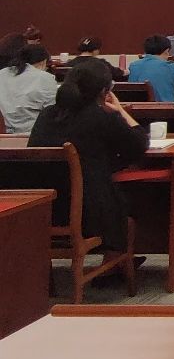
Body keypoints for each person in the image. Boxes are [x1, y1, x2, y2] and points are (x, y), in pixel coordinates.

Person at [29, 58, 148, 255]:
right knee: (132, 197)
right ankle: (114, 259)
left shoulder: (46, 115)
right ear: (104, 92)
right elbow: (139, 145)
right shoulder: (100, 116)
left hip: (45, 209)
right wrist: (120, 110)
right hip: (91, 214)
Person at [0, 44, 57, 134]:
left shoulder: (2, 73)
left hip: (3, 133)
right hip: (32, 134)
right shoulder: (44, 78)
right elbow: (52, 112)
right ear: (43, 62)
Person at [127, 35, 174, 103]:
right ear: (166, 51)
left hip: (136, 107)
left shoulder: (134, 65)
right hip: (166, 107)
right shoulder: (170, 67)